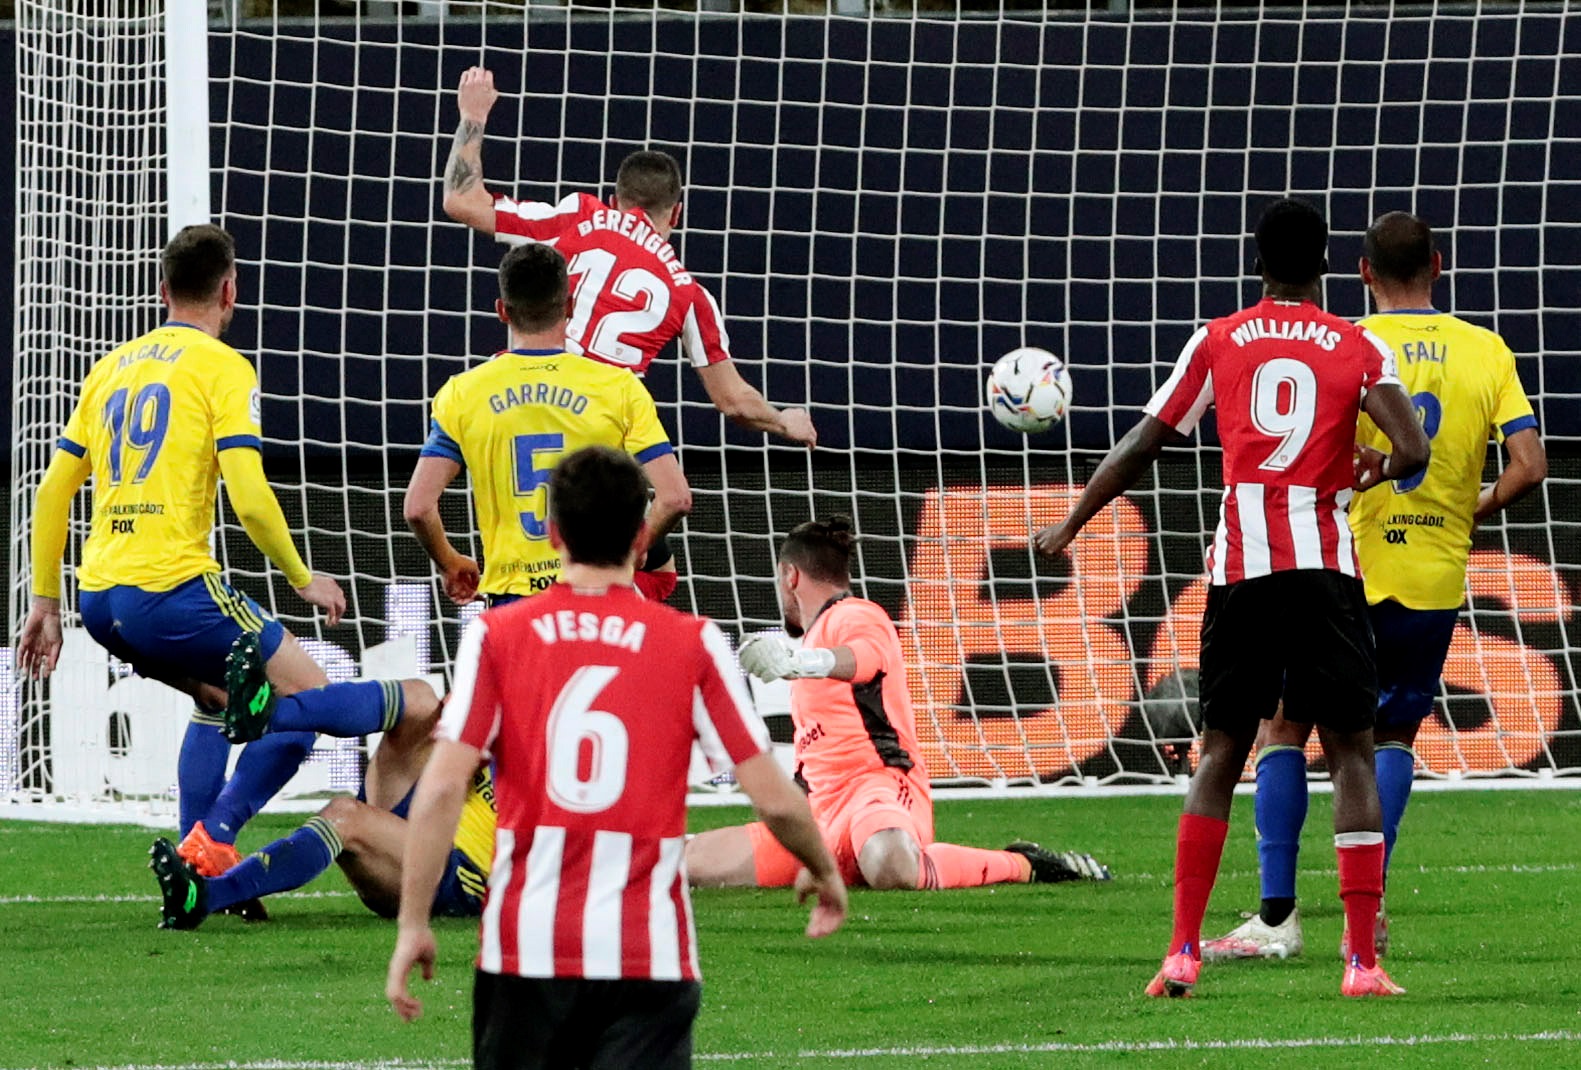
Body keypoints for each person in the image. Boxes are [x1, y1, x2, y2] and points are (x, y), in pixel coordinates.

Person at [1032, 198, 1431, 999]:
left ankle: (1180, 948)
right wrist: (1368, 468)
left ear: (1256, 263)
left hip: (1241, 574)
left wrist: (1072, 520)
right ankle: (1360, 962)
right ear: (1327, 266)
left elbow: (1145, 440)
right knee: (1351, 750)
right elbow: (1413, 447)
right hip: (1324, 574)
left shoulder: (1217, 339)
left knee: (1220, 751)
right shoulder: (1356, 346)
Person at [386, 446, 846, 1070]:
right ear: (640, 535)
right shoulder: (692, 643)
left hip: (526, 951)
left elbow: (441, 791)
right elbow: (772, 796)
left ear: (551, 533)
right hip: (646, 954)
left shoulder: (497, 637)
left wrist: (413, 923)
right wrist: (823, 867)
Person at [16, 224, 439, 886]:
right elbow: (248, 493)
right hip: (173, 589)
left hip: (98, 600)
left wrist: (46, 600)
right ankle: (213, 838)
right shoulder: (223, 368)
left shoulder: (109, 368)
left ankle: (193, 856)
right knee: (310, 701)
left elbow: (49, 492)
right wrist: (303, 577)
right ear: (230, 290)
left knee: (216, 699)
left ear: (162, 291)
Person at [1202, 212, 1548, 965]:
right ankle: (1371, 903)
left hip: (1342, 564)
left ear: (1361, 272)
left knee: (1284, 731)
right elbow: (1527, 464)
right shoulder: (1485, 350)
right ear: (1439, 263)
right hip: (1432, 569)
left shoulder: (1344, 340)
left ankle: (1277, 917)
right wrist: (1472, 507)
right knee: (1388, 738)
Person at [684, 515, 1111, 893]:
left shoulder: (855, 614)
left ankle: (1021, 863)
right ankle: (831, 860)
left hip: (878, 791)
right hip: (814, 814)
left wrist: (800, 662)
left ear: (790, 575)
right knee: (689, 865)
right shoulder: (815, 635)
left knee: (890, 864)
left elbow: (863, 659)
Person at [440, 67, 817, 449]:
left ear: (613, 200)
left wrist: (473, 116)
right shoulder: (688, 293)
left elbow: (461, 201)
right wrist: (783, 420)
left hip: (520, 405)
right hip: (598, 434)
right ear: (676, 214)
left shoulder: (576, 216)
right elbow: (733, 400)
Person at [403, 242, 691, 608]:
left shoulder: (462, 393)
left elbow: (417, 506)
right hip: (599, 596)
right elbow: (675, 497)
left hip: (515, 603)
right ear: (569, 306)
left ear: (502, 311)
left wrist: (450, 563)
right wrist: (638, 546)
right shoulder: (618, 387)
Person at [148, 684, 494, 930]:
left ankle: (205, 895)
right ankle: (265, 715)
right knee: (420, 698)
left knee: (346, 817)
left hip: (460, 874)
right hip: (423, 814)